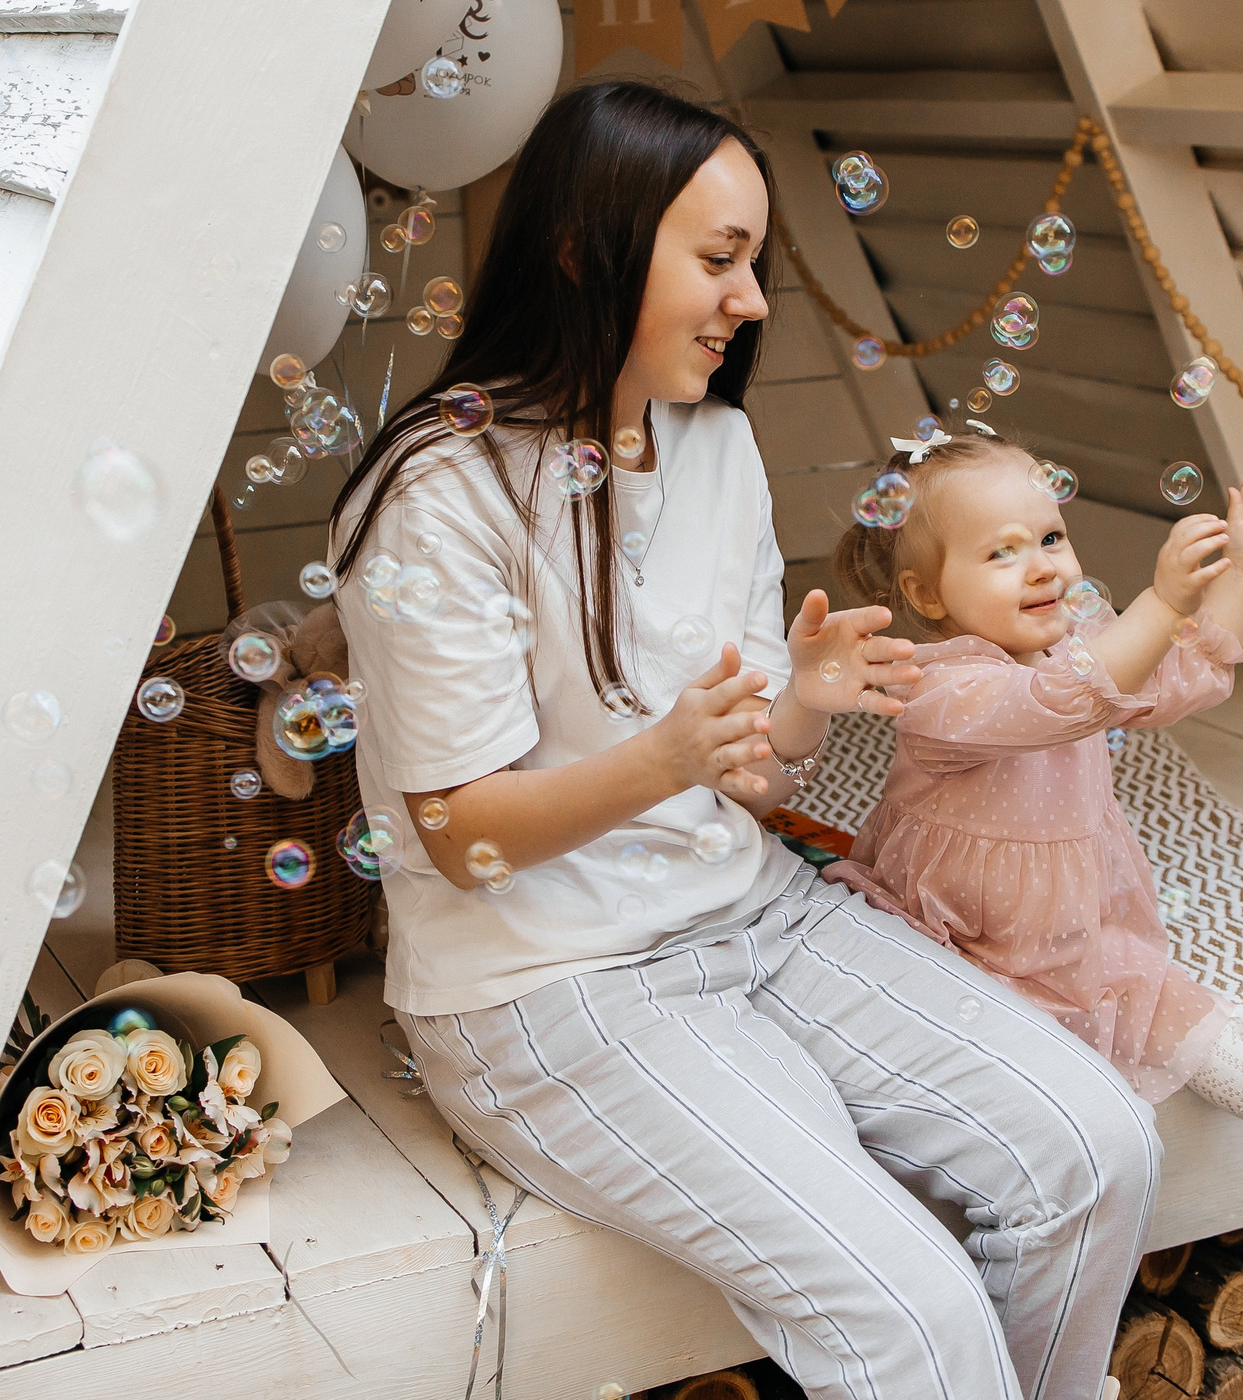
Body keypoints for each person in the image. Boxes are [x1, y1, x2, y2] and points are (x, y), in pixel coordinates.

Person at [330, 82, 1164, 1400]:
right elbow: (461, 832)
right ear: (582, 248)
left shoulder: (714, 447)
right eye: (719, 258)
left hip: (753, 913)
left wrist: (801, 709)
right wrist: (662, 758)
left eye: (754, 262)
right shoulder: (439, 494)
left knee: (1098, 1143)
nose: (755, 298)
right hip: (545, 984)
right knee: (914, 1309)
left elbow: (752, 774)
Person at [826, 425, 1243, 1231]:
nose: (1045, 563)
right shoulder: (939, 691)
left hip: (1068, 932)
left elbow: (1179, 678)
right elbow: (1070, 700)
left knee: (1203, 1020)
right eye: (1002, 552)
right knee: (1052, 1104)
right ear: (929, 594)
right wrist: (1163, 600)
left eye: (1051, 536)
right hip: (951, 943)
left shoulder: (1080, 644)